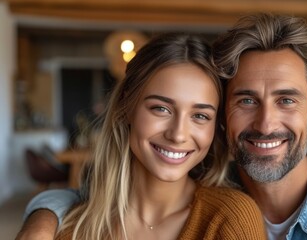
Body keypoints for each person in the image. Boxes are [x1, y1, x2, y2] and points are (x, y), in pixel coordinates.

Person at [17, 13, 307, 240]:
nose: (266, 122)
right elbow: (89, 196)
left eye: (287, 100)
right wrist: (42, 219)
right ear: (225, 117)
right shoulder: (197, 171)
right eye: (246, 100)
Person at [17, 33, 267, 240]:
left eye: (200, 116)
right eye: (161, 109)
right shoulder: (70, 227)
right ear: (127, 107)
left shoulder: (230, 219)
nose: (178, 134)